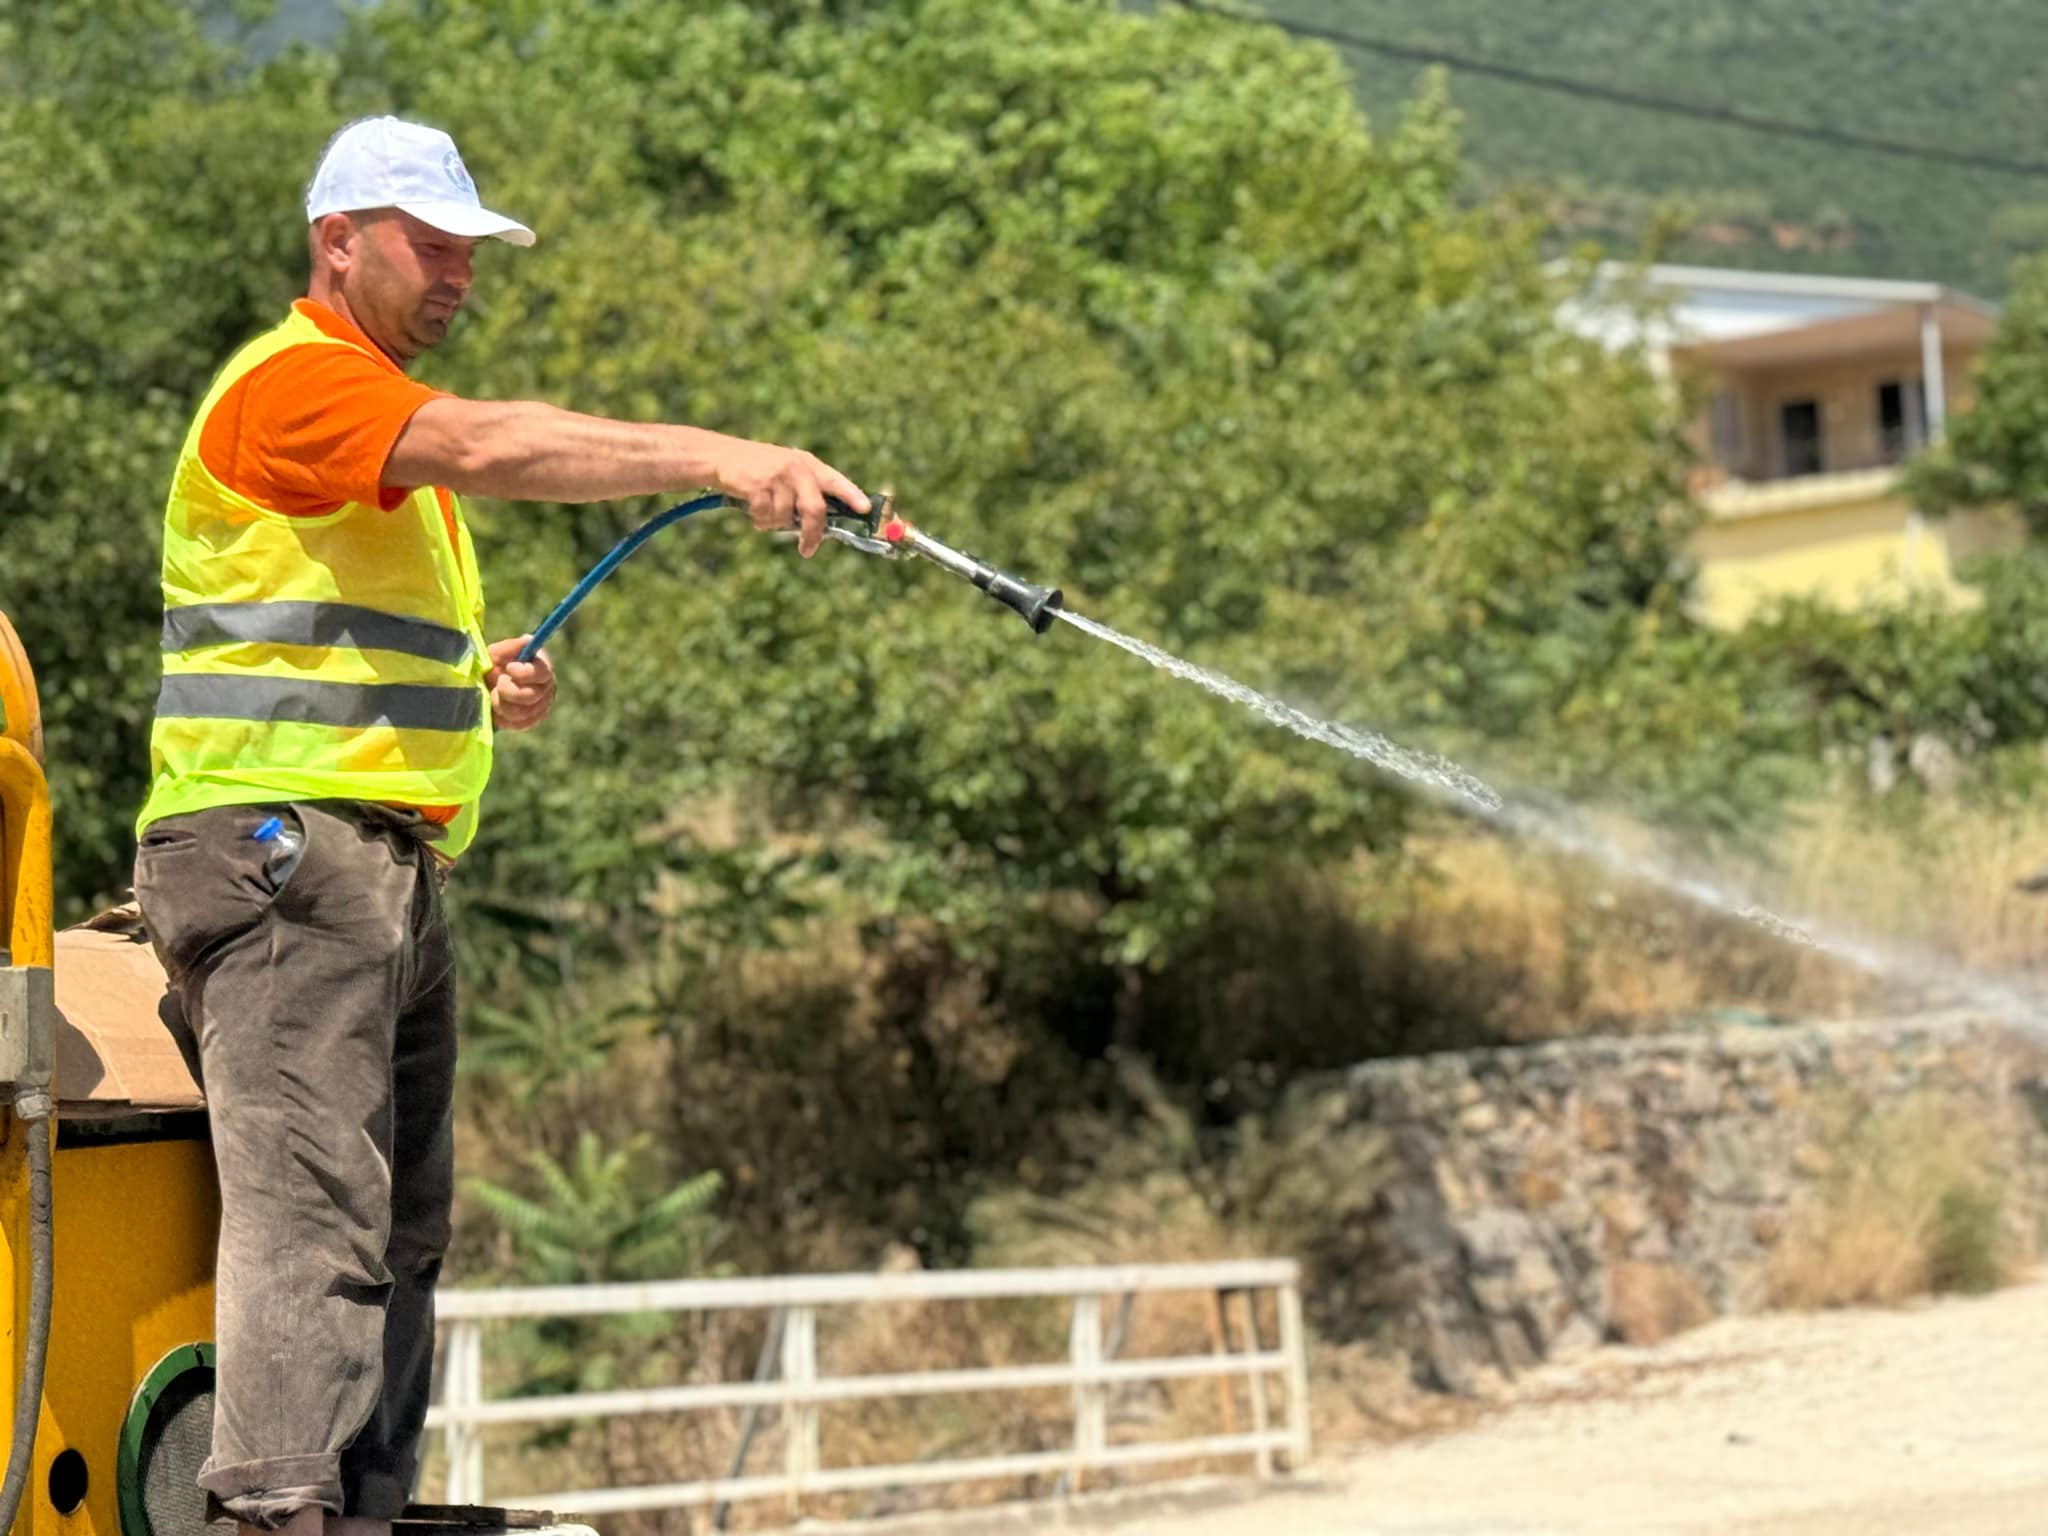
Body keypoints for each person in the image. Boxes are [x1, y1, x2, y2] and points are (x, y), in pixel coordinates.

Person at [130, 115, 866, 1536]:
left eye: (472, 248)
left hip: (377, 869)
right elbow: (489, 444)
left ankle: (365, 1502)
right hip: (282, 857)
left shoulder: (361, 421)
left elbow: (331, 641)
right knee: (318, 1214)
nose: (459, 271)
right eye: (431, 242)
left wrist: (481, 686)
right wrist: (715, 453)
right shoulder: (296, 387)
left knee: (398, 1229)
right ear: (336, 241)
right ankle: (277, 1511)